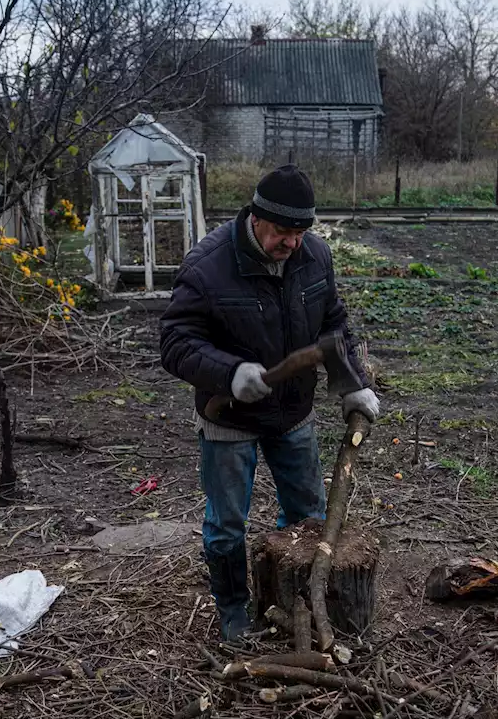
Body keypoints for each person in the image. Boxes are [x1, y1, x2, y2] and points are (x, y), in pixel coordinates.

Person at [160, 164, 380, 640]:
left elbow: (334, 324)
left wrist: (351, 382)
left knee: (308, 517)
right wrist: (229, 373)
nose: (293, 244)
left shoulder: (314, 257)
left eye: (301, 232)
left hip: (292, 413)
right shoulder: (209, 265)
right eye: (283, 232)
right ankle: (234, 608)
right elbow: (175, 342)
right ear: (256, 219)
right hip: (229, 418)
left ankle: (299, 601)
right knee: (227, 524)